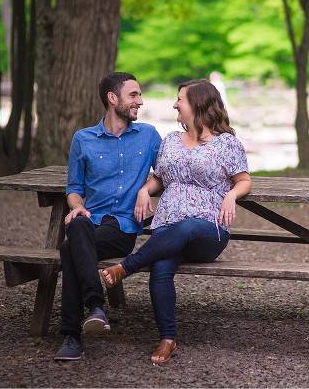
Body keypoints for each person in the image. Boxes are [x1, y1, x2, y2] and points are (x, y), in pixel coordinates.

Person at [100, 79, 251, 365]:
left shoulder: (226, 143)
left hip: (209, 230)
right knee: (161, 265)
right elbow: (161, 177)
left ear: (198, 104)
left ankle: (126, 266)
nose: (174, 104)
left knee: (189, 225)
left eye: (179, 99)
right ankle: (168, 339)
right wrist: (145, 189)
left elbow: (243, 180)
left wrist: (232, 195)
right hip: (168, 227)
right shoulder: (170, 140)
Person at [54, 72, 162, 361]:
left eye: (139, 95)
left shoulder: (149, 136)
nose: (140, 101)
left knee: (69, 247)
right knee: (77, 229)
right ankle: (95, 309)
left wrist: (146, 189)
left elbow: (166, 174)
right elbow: (74, 188)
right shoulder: (83, 139)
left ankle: (74, 334)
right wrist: (76, 205)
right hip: (91, 220)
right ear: (112, 99)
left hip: (123, 228)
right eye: (134, 95)